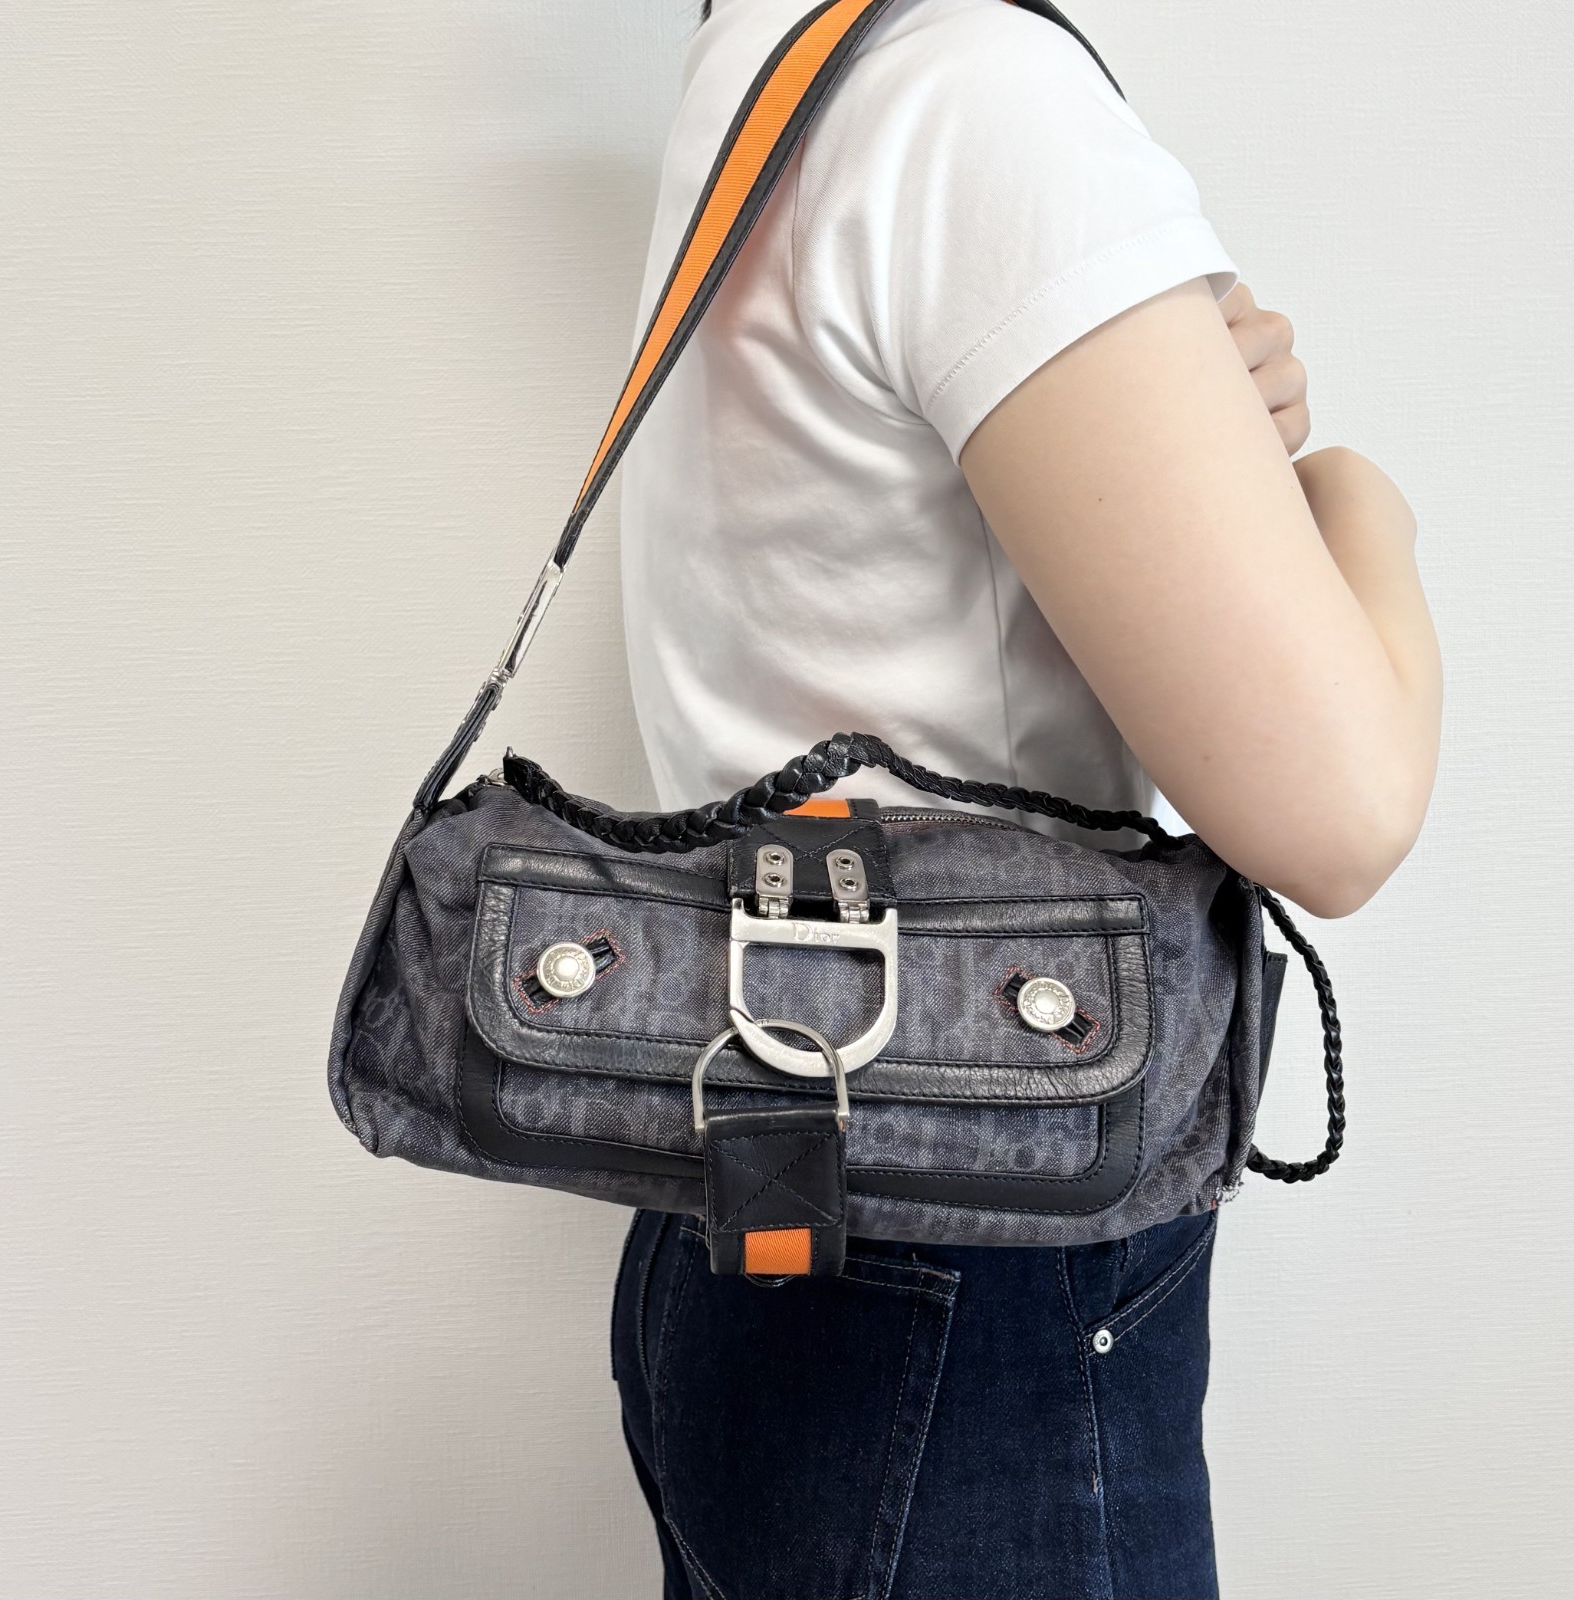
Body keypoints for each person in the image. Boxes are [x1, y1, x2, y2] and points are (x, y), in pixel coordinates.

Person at [608, 1, 1443, 1595]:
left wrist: (1169, 413)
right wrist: (1356, 503)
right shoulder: (973, 95)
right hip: (970, 1260)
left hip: (746, 1206)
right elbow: (1345, 818)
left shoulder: (770, 69)